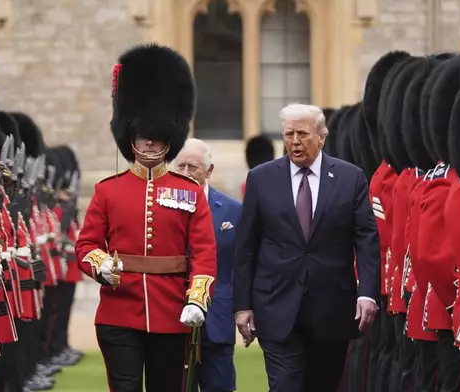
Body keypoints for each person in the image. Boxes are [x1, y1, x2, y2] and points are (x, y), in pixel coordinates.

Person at [75, 44, 217, 392]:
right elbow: (87, 244)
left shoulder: (189, 190)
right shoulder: (109, 190)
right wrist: (101, 265)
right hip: (119, 311)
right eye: (144, 137)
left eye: (157, 138)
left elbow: (204, 252)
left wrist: (197, 297)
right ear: (131, 136)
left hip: (172, 311)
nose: (151, 143)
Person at [233, 103, 380, 392]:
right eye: (289, 135)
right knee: (284, 385)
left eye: (302, 134)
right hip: (275, 305)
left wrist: (367, 294)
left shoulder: (350, 178)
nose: (295, 142)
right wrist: (242, 306)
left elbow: (366, 238)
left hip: (332, 308)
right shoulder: (262, 178)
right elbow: (246, 246)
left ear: (322, 137)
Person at [174, 138, 241, 392]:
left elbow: (241, 265)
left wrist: (244, 309)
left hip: (218, 317)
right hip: (173, 314)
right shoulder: (161, 208)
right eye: (181, 167)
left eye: (193, 167)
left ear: (209, 171)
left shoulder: (233, 211)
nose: (186, 173)